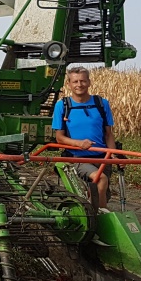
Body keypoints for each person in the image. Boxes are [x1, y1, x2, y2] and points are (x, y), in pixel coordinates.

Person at [51, 66, 117, 210]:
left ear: (89, 82)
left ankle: (93, 211)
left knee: (102, 194)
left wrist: (114, 155)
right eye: (75, 81)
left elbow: (108, 134)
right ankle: (101, 217)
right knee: (101, 179)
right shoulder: (63, 106)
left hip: (102, 157)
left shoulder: (101, 104)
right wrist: (78, 143)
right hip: (78, 158)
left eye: (83, 81)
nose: (79, 85)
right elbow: (59, 138)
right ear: (69, 84)